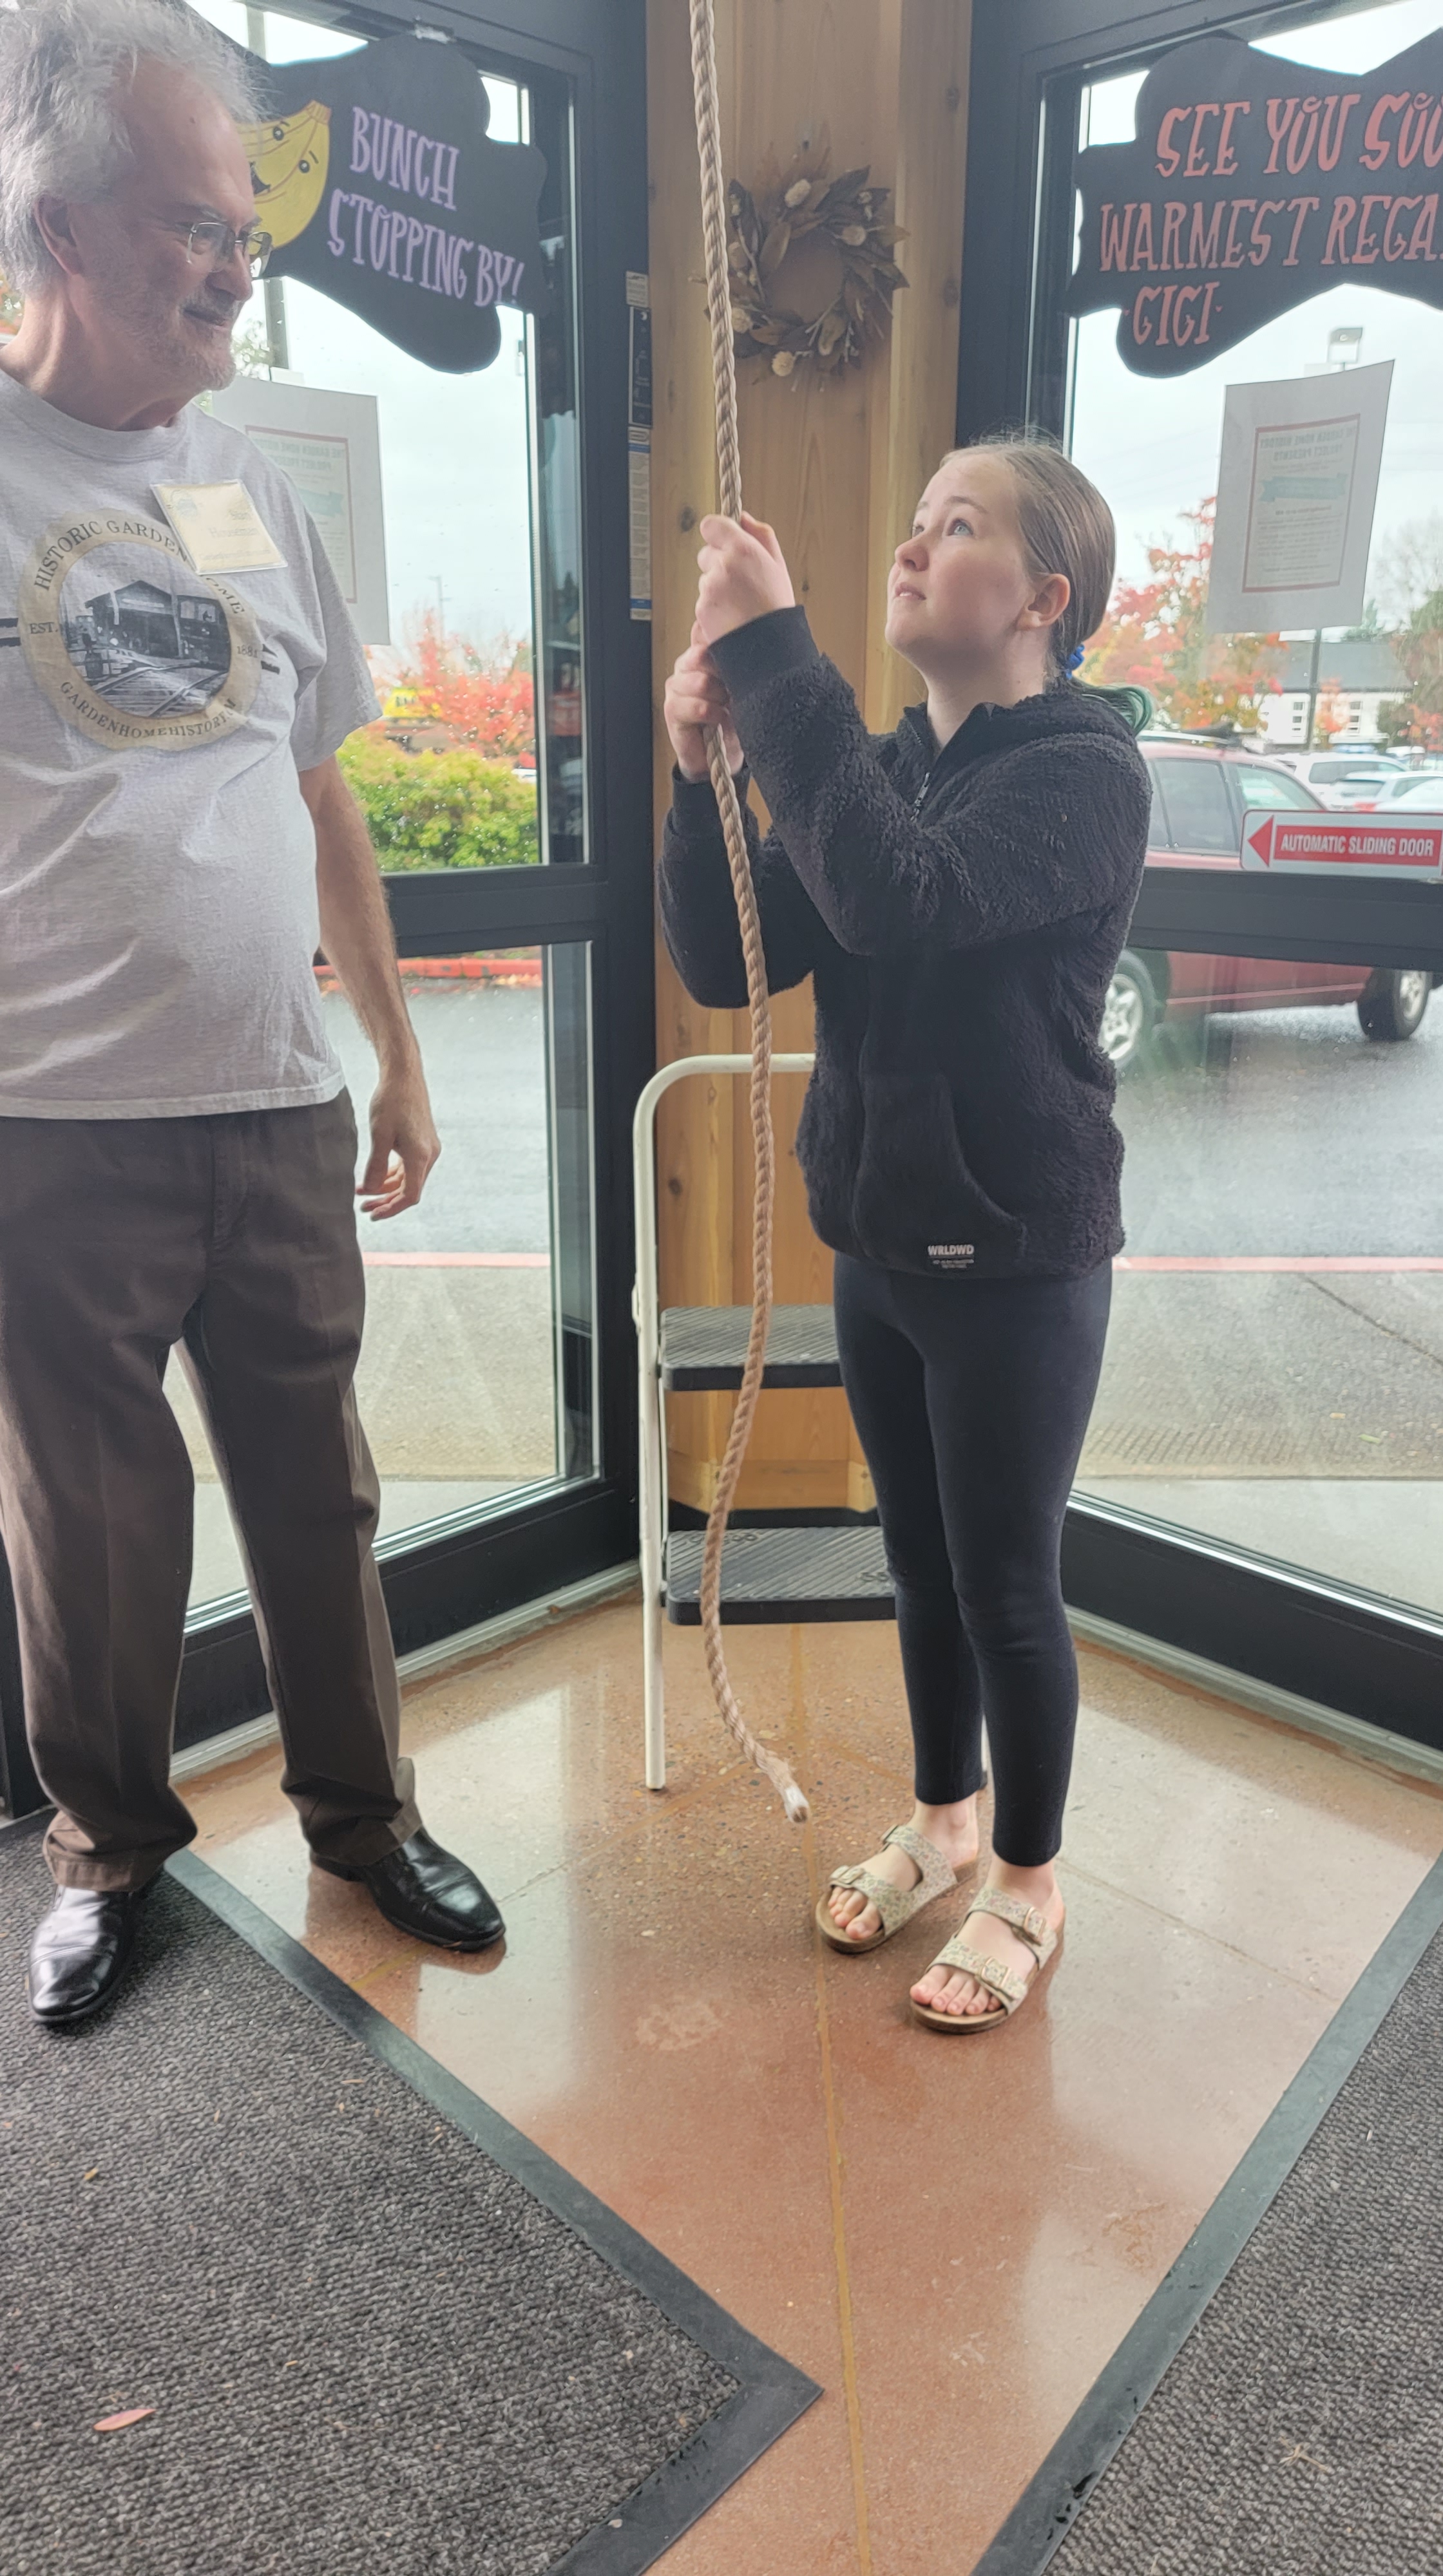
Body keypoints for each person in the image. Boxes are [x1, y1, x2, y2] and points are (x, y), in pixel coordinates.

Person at [0, 0, 504, 2031]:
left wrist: (394, 1053)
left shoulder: (249, 487)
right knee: (94, 1529)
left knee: (321, 1492)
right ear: (64, 225)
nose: (235, 269)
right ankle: (109, 1847)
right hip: (51, 1124)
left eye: (247, 234)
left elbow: (321, 793)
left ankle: (363, 1822)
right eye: (197, 225)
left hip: (276, 1103)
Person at [658, 435, 1150, 2032]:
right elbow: (730, 960)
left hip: (1015, 1258)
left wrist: (774, 660)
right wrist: (700, 777)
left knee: (1005, 1582)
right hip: (876, 1240)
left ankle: (1028, 1880)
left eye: (959, 524)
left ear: (1043, 597)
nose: (914, 545)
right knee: (917, 1565)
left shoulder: (1086, 772)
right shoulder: (881, 764)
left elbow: (904, 900)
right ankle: (944, 1822)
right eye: (918, 519)